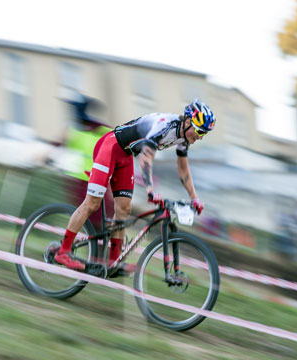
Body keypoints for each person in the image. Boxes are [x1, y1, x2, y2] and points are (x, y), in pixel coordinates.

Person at [55, 98, 216, 272]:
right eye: (199, 131)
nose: (199, 137)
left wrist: (195, 198)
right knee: (93, 203)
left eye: (204, 134)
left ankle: (113, 262)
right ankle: (63, 251)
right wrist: (150, 189)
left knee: (124, 210)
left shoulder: (183, 137)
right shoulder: (165, 125)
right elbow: (146, 157)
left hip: (125, 157)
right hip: (110, 147)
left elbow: (183, 168)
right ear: (187, 121)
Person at [62, 95, 114, 227]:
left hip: (95, 182)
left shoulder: (103, 131)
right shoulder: (75, 131)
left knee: (101, 221)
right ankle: (70, 245)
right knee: (94, 222)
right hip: (84, 183)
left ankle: (98, 245)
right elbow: (59, 143)